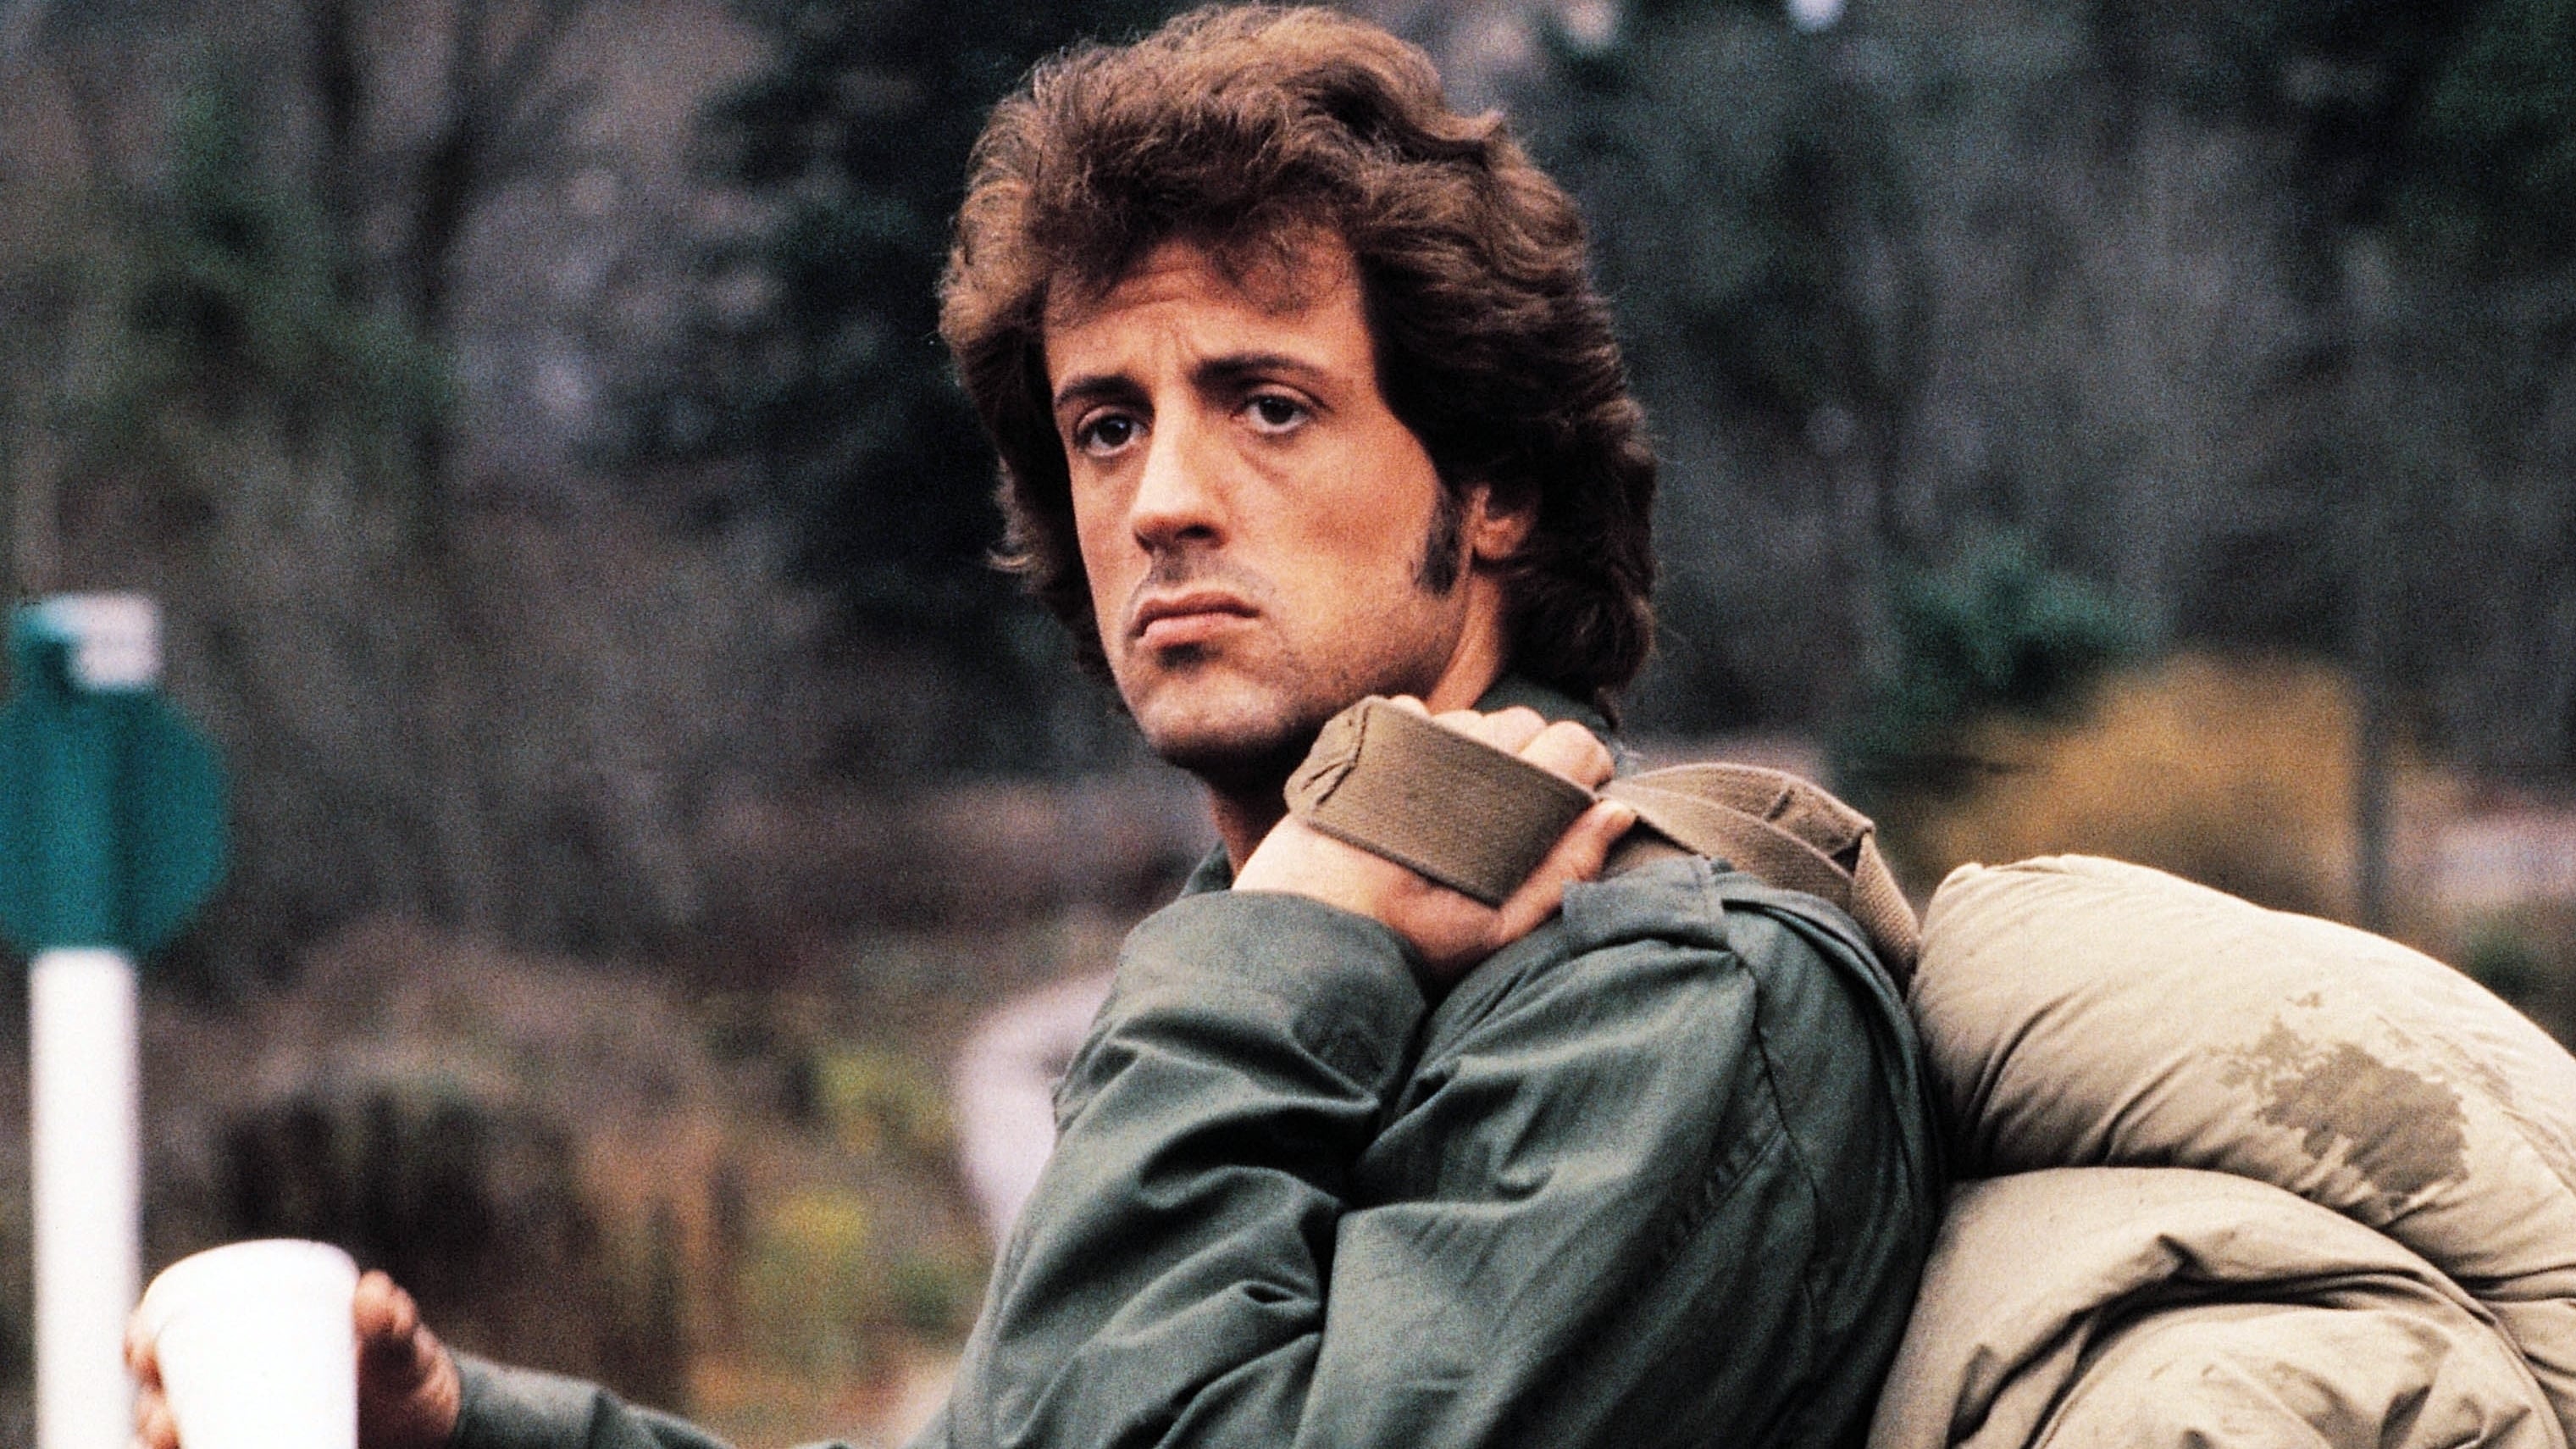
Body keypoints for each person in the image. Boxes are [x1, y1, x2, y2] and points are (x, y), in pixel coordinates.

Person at [130, 8, 1938, 1446]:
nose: (1161, 500)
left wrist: (1271, 959)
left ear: (1496, 489)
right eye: (1105, 425)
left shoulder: (1671, 1006)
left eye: (1267, 404)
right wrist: (465, 1434)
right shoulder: (1322, 968)